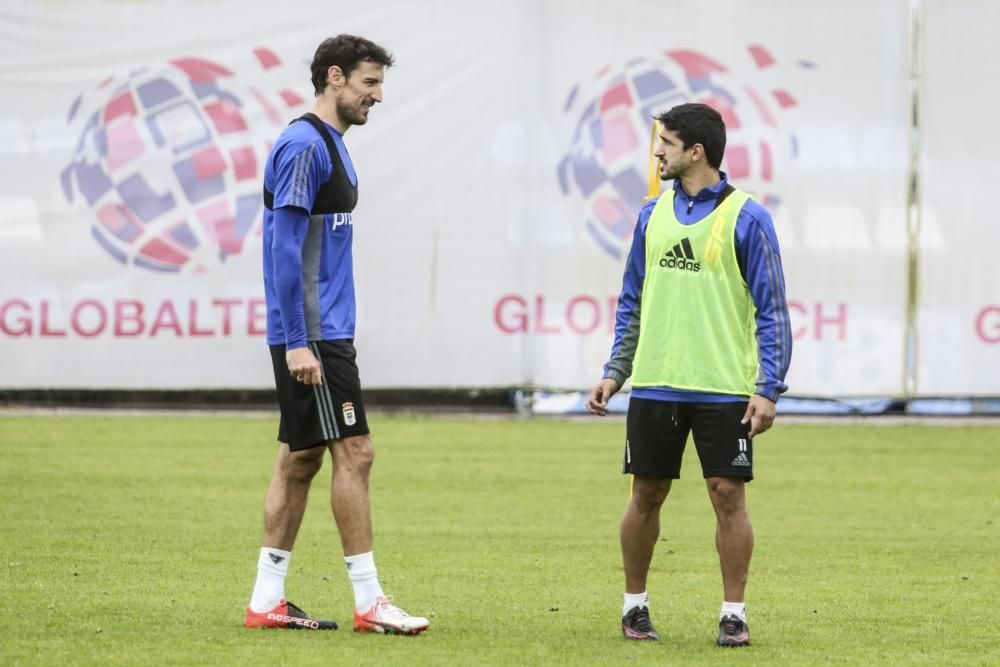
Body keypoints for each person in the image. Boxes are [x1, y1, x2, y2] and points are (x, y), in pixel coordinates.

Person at [586, 103, 792, 648]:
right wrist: (616, 371)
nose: (657, 152)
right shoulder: (650, 215)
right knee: (646, 494)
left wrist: (767, 388)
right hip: (656, 382)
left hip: (724, 387)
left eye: (667, 144)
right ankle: (635, 607)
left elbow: (773, 310)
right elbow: (632, 298)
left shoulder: (748, 217)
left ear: (695, 151)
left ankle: (733, 613)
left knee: (727, 494)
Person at [244, 34, 428, 635]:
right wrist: (298, 341)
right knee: (357, 452)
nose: (377, 96)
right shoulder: (303, 146)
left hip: (323, 330)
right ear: (334, 78)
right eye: (369, 84)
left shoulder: (332, 144)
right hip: (315, 335)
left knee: (299, 460)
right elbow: (282, 250)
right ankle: (370, 602)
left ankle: (266, 600)